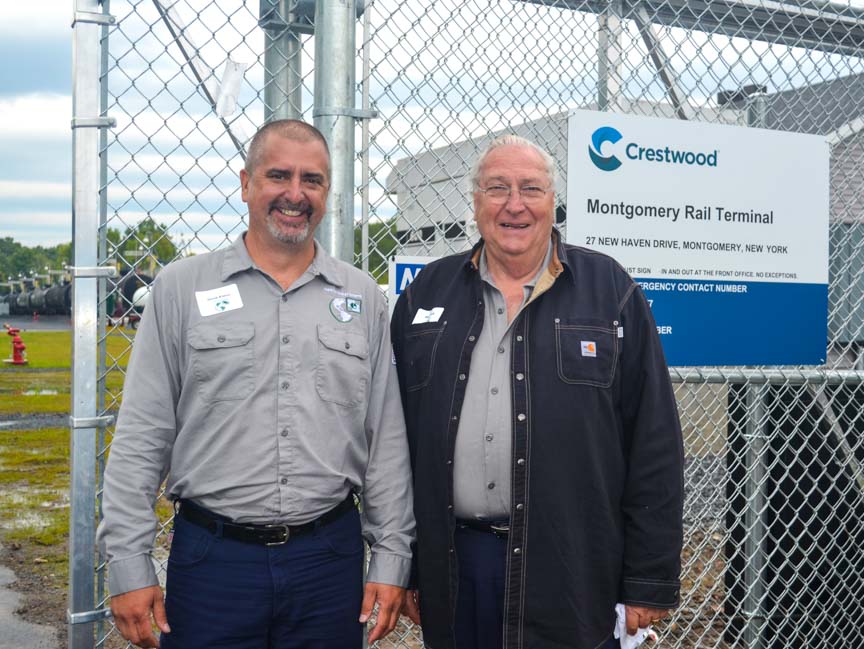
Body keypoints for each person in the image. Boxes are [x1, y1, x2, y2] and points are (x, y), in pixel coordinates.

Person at [98, 119, 414, 649]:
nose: (295, 194)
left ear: (327, 192)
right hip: (213, 560)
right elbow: (142, 433)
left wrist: (391, 557)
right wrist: (129, 562)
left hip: (329, 560)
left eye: (311, 180)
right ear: (246, 184)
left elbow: (386, 441)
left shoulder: (362, 297)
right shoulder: (181, 288)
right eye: (278, 176)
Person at [390, 135, 684, 649]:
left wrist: (648, 577)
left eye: (531, 188)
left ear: (553, 200)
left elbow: (654, 440)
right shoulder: (424, 295)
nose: (514, 205)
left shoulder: (609, 288)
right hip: (456, 563)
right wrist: (409, 566)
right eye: (496, 188)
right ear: (475, 201)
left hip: (569, 562)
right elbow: (397, 444)